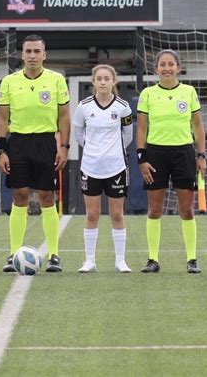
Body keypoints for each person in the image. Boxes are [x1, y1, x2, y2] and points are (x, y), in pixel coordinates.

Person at [0, 34, 70, 273]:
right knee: (20, 195)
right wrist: (1, 149)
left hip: (46, 142)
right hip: (17, 143)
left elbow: (64, 116)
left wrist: (64, 146)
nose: (32, 56)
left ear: (44, 55)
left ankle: (54, 255)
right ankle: (13, 253)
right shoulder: (9, 81)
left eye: (37, 52)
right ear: (22, 55)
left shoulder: (57, 80)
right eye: (28, 51)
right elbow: (3, 118)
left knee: (47, 197)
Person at [136, 49, 206, 274]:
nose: (166, 68)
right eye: (162, 64)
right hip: (155, 155)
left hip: (183, 154)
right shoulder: (148, 94)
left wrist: (201, 155)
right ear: (156, 69)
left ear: (178, 67)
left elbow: (197, 126)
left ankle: (192, 260)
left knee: (186, 210)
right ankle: (152, 260)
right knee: (155, 209)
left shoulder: (189, 91)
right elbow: (142, 128)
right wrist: (141, 158)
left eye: (170, 64)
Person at [73, 65, 133, 273]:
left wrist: (113, 152)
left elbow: (128, 135)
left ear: (114, 81)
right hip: (90, 167)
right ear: (93, 81)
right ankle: (89, 261)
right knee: (92, 214)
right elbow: (79, 135)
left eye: (107, 78)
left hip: (116, 167)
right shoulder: (83, 106)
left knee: (117, 214)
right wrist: (93, 150)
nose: (103, 82)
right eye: (99, 78)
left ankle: (120, 261)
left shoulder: (123, 107)